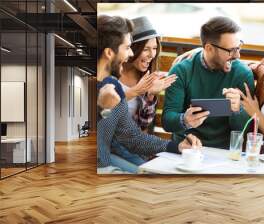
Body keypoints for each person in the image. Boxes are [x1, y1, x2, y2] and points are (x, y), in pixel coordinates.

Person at [96, 15, 202, 174]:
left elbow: (133, 136)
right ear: (110, 53)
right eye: (127, 47)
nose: (130, 53)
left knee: (151, 172)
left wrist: (178, 146)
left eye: (154, 48)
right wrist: (132, 93)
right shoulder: (107, 84)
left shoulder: (115, 84)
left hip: (124, 149)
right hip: (105, 158)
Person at [162, 16, 255, 149]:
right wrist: (184, 120)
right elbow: (167, 121)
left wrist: (237, 110)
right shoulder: (182, 70)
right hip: (188, 148)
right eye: (231, 50)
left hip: (224, 152)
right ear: (209, 48)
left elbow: (244, 129)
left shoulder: (242, 74)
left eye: (238, 47)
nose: (237, 55)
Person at [119, 16, 177, 132]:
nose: (152, 55)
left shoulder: (146, 78)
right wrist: (135, 91)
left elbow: (142, 126)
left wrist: (150, 95)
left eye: (155, 48)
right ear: (132, 49)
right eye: (146, 49)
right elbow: (104, 112)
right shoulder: (112, 75)